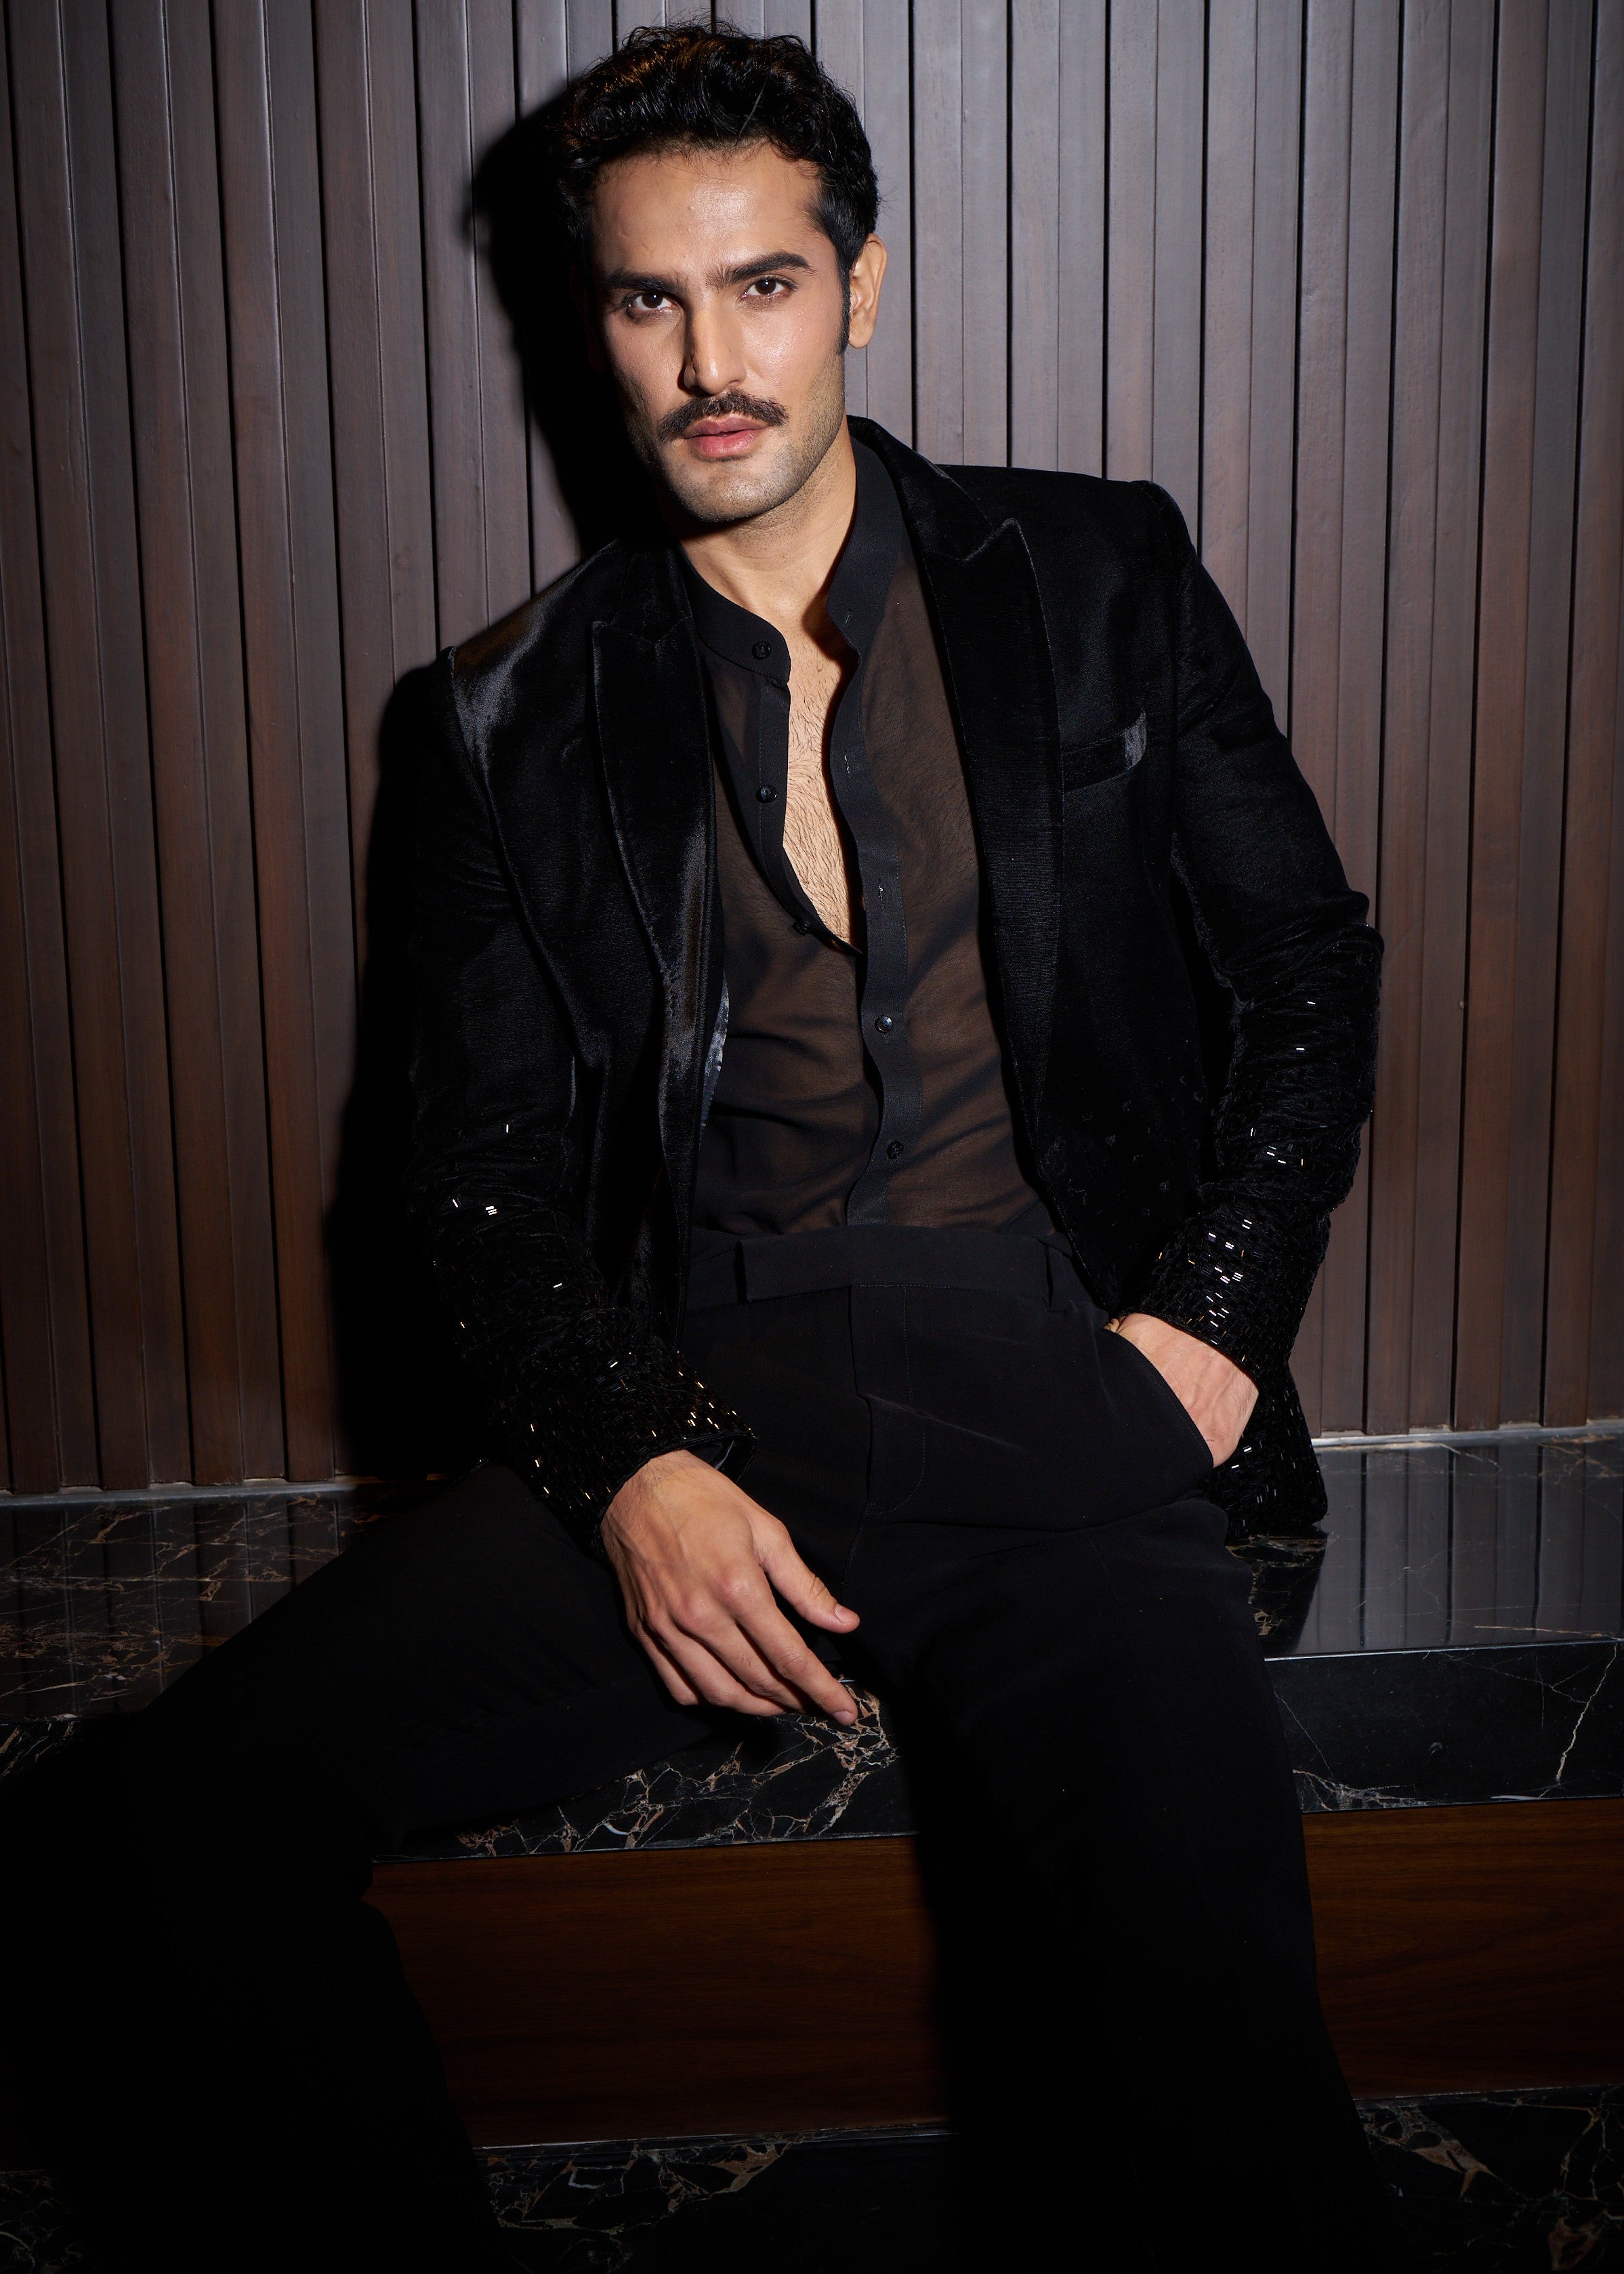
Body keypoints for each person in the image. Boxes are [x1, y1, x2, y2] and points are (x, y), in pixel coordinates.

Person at [11, 24, 1392, 2271]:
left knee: (1222, 2065)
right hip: (718, 1407)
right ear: (595, 323)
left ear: (863, 287)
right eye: (650, 299)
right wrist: (635, 1464)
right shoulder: (501, 714)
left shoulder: (1098, 571)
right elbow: (472, 1179)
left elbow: (1308, 968)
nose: (708, 362)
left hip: (1070, 1392)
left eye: (762, 285)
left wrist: (1212, 1328)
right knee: (188, 1812)